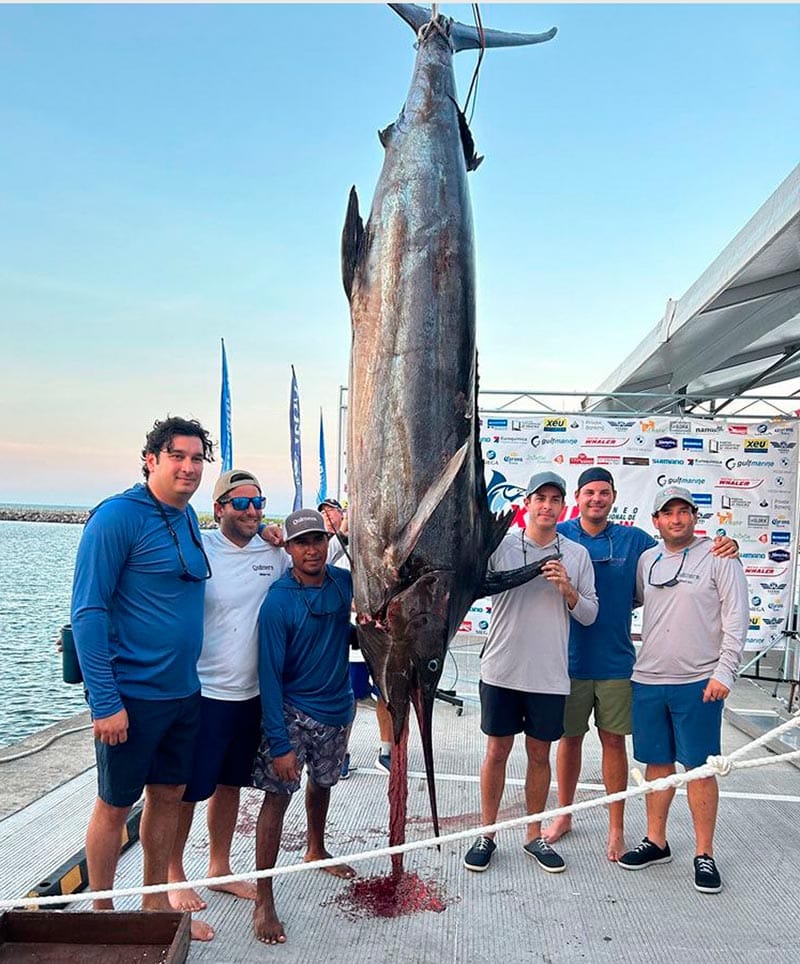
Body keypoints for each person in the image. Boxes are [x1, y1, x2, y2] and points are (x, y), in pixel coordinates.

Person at [544, 468, 739, 861]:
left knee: (620, 744)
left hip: (620, 662)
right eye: (589, 493)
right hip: (569, 661)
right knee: (572, 741)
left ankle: (620, 829)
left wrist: (727, 544)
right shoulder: (560, 537)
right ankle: (567, 816)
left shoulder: (636, 542)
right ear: (578, 498)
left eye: (604, 493)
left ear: (614, 497)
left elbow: (675, 568)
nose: (596, 499)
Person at [71, 416, 215, 942]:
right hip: (131, 694)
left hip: (183, 692)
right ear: (151, 459)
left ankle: (154, 906)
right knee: (114, 804)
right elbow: (88, 612)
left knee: (169, 797)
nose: (189, 467)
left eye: (198, 458)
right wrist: (104, 702)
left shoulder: (188, 520)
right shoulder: (116, 518)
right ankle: (103, 916)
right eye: (178, 455)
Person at [167, 469, 288, 915]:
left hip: (252, 693)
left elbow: (316, 563)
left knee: (229, 784)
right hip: (203, 690)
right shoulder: (200, 549)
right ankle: (174, 874)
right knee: (186, 789)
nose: (252, 511)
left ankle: (219, 867)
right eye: (240, 503)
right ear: (219, 509)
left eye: (258, 502)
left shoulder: (274, 553)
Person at [464, 471, 598, 874]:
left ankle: (532, 834)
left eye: (555, 500)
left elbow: (590, 614)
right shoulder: (499, 546)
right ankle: (486, 833)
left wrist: (568, 590)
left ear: (563, 507)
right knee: (496, 751)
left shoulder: (576, 554)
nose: (547, 506)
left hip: (549, 675)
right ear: (526, 504)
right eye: (540, 498)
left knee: (540, 755)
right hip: (501, 668)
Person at [618, 485, 748, 894]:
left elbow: (736, 617)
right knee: (657, 767)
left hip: (699, 682)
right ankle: (657, 841)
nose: (676, 519)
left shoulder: (720, 557)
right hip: (650, 679)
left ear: (694, 516)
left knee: (700, 769)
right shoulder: (646, 560)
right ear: (655, 521)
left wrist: (724, 672)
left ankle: (704, 854)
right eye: (667, 513)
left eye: (683, 512)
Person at [251, 509, 356, 945]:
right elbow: (269, 678)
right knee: (277, 798)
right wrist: (279, 743)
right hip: (292, 711)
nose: (311, 549)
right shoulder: (277, 600)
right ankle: (264, 897)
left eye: (317, 540)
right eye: (301, 542)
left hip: (338, 709)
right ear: (288, 549)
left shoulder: (344, 583)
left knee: (324, 784)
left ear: (328, 542)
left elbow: (350, 632)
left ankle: (316, 848)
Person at [318, 496, 394, 776]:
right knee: (347, 697)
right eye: (324, 512)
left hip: (380, 633)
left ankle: (386, 751)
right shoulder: (330, 544)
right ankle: (342, 752)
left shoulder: (375, 541)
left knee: (385, 695)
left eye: (333, 512)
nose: (329, 516)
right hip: (351, 638)